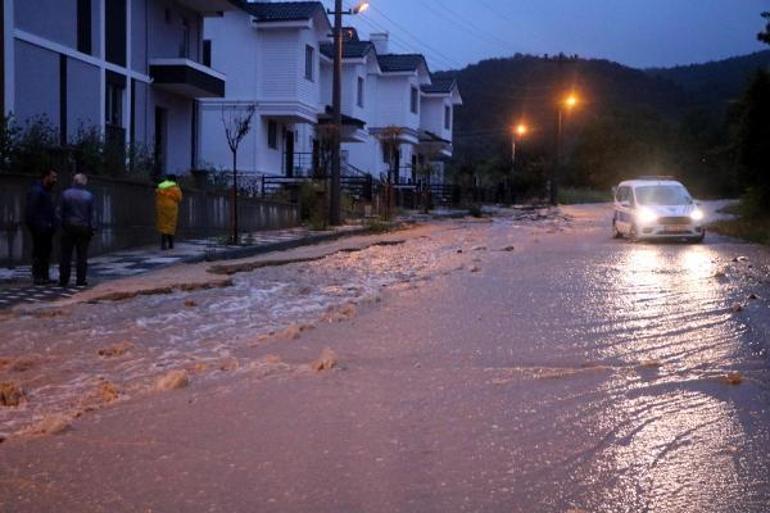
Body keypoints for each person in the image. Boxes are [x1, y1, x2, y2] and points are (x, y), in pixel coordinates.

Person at [58, 173, 95, 287]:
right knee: (82, 256)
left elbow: (59, 212)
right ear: (84, 183)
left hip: (68, 228)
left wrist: (62, 224)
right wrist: (92, 228)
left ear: (74, 181)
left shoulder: (65, 194)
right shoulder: (89, 196)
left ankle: (64, 280)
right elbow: (92, 214)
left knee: (65, 255)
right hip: (84, 228)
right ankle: (81, 280)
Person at [25, 169, 58, 285]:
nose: (55, 180)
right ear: (46, 177)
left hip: (46, 229)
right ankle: (38, 277)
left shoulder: (45, 191)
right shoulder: (37, 191)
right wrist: (39, 227)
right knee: (39, 252)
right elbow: (31, 212)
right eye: (53, 177)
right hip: (40, 229)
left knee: (46, 253)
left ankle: (44, 276)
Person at [155, 175, 183, 250]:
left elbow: (157, 196)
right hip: (171, 208)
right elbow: (179, 198)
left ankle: (163, 244)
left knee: (163, 224)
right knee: (171, 224)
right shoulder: (175, 188)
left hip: (161, 207)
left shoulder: (161, 186)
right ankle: (170, 244)